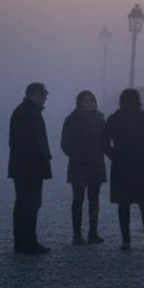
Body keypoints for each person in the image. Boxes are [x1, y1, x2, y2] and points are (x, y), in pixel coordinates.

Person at [103, 88, 144, 250]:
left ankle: (126, 240)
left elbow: (104, 142)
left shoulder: (114, 118)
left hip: (121, 166)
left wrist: (113, 156)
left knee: (123, 204)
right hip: (141, 165)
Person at [8, 82, 53, 254]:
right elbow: (32, 142)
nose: (45, 98)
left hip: (23, 167)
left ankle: (23, 242)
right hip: (30, 167)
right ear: (35, 94)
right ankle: (28, 243)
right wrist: (43, 156)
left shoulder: (23, 111)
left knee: (24, 204)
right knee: (30, 204)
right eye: (44, 94)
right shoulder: (29, 113)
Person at [60, 91, 107, 245]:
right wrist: (76, 154)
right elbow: (65, 143)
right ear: (79, 102)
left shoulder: (100, 118)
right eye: (85, 101)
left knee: (94, 200)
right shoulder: (71, 119)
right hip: (78, 165)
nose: (88, 103)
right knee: (78, 199)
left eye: (91, 100)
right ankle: (77, 234)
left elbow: (105, 139)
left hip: (96, 164)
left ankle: (93, 232)